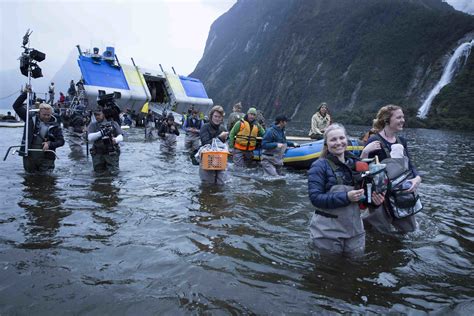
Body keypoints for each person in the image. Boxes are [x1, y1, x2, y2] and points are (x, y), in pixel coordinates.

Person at [308, 123, 385, 255]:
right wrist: (346, 197)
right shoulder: (319, 166)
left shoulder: (357, 164)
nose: (338, 142)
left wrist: (374, 201)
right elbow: (315, 198)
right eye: (333, 140)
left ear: (346, 140)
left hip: (355, 230)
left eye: (341, 138)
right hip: (327, 232)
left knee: (356, 264)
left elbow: (364, 198)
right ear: (326, 144)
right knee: (328, 269)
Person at [360, 104, 422, 234]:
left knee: (409, 230)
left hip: (400, 192)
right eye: (399, 117)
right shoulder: (374, 140)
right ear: (387, 120)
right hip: (381, 195)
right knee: (380, 233)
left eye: (403, 117)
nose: (403, 120)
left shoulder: (402, 141)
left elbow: (409, 165)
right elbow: (361, 169)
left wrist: (417, 178)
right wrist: (365, 152)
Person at [12, 89, 65, 172]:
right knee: (29, 179)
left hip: (47, 157)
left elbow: (61, 141)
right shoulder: (30, 119)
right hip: (29, 155)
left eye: (48, 115)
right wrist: (25, 94)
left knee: (47, 180)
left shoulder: (55, 125)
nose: (47, 117)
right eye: (44, 115)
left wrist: (50, 144)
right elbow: (16, 106)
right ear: (39, 112)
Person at [199, 105, 229, 184]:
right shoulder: (205, 127)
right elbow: (205, 143)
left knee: (221, 183)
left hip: (220, 159)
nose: (217, 119)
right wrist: (219, 137)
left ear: (222, 118)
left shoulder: (223, 128)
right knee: (207, 184)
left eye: (219, 117)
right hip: (207, 159)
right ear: (211, 116)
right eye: (215, 116)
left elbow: (226, 144)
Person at [87, 108, 123, 173]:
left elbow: (121, 136)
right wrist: (101, 133)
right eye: (95, 115)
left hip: (111, 153)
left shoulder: (113, 123)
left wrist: (116, 140)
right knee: (97, 172)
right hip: (98, 153)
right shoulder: (93, 125)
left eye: (99, 115)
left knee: (113, 172)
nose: (97, 117)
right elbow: (90, 138)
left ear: (104, 114)